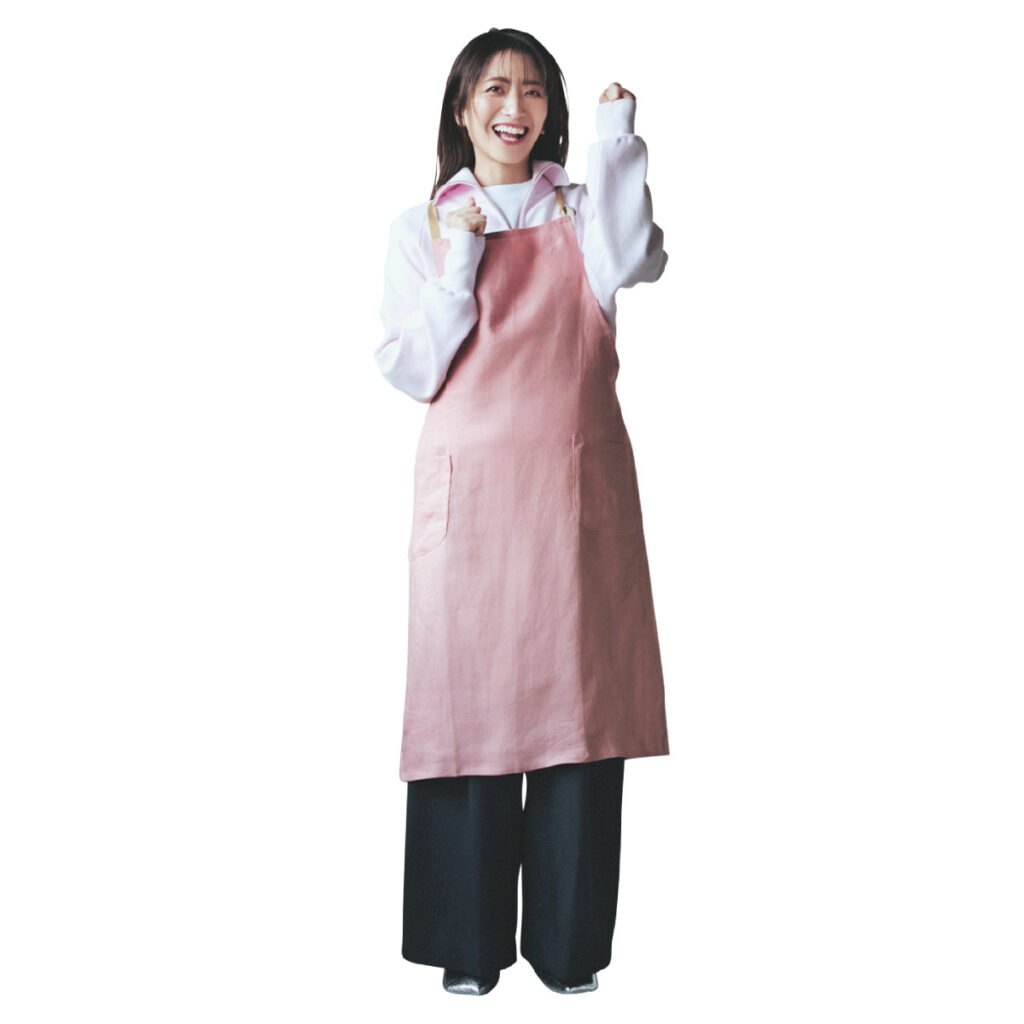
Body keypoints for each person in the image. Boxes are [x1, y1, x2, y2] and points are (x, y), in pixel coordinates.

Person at [375, 27, 671, 996]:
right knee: (465, 716)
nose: (516, 107)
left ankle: (568, 949)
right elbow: (415, 371)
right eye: (496, 89)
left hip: (574, 504)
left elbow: (634, 257)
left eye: (535, 90)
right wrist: (458, 263)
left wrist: (617, 136)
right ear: (462, 108)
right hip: (468, 515)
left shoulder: (583, 210)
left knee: (578, 717)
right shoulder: (421, 229)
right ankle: (467, 947)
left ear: (552, 112)